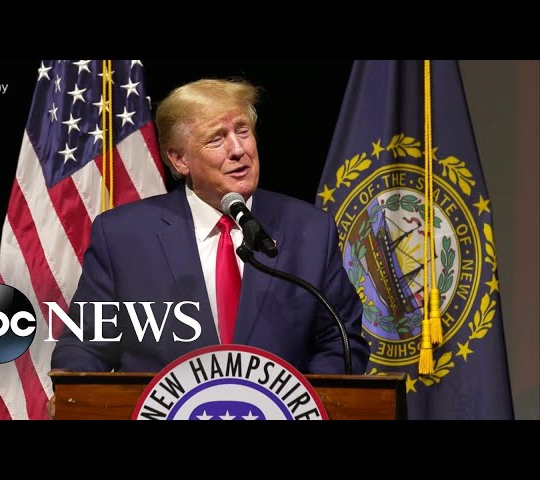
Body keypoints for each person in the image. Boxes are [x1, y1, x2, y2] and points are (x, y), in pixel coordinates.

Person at [47, 78, 370, 418]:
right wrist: (76, 397)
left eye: (243, 131)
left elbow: (342, 343)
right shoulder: (123, 236)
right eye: (217, 138)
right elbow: (84, 345)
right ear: (179, 159)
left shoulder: (310, 230)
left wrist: (290, 406)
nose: (238, 149)